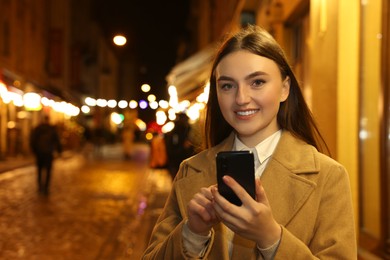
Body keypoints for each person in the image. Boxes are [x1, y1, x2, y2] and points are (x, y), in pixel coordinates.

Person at [142, 25, 357, 259]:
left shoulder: (327, 176)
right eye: (227, 85)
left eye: (257, 82)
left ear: (284, 88)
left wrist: (271, 238)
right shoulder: (190, 170)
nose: (241, 99)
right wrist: (192, 234)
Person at [30, 115, 62, 195]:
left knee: (40, 170)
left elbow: (33, 140)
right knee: (48, 170)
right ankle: (46, 187)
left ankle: (40, 186)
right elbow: (57, 140)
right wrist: (59, 151)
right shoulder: (51, 129)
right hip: (48, 152)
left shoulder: (38, 128)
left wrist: (34, 150)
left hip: (40, 152)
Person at [164, 113, 195, 180]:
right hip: (177, 162)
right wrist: (184, 147)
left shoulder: (187, 130)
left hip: (181, 162)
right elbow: (172, 149)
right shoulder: (176, 133)